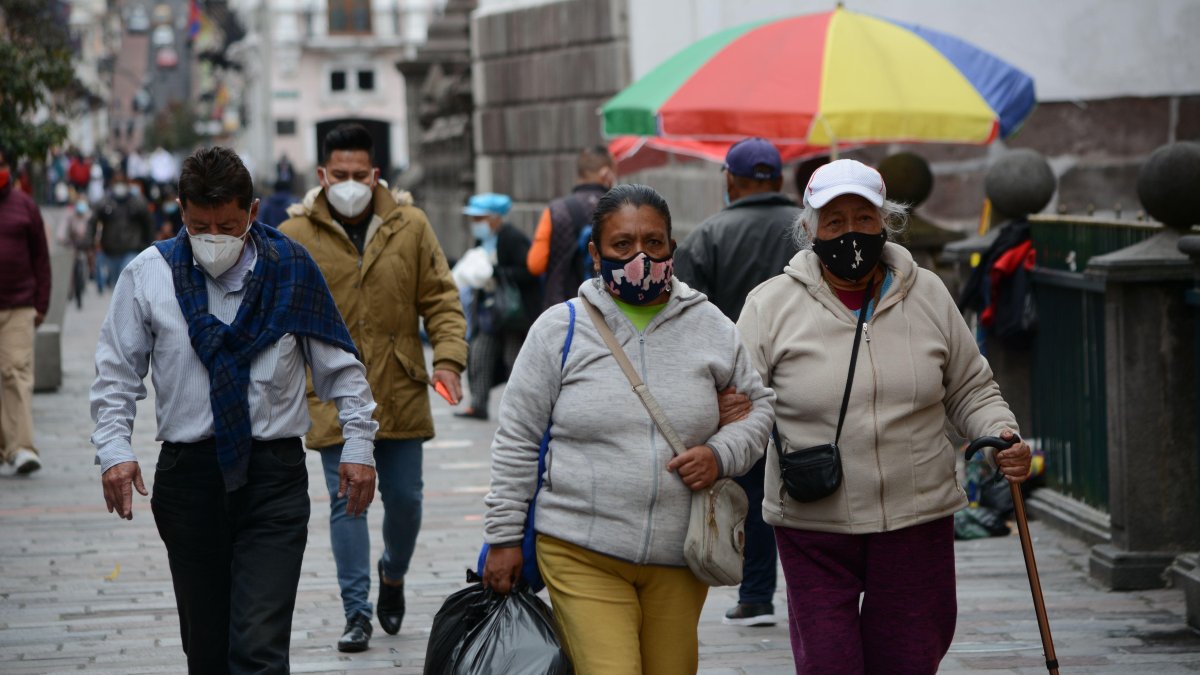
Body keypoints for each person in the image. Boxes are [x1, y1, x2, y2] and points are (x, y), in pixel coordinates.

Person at [737, 159, 1033, 674]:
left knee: (910, 658)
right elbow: (742, 404)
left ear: (886, 222)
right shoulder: (769, 306)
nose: (850, 232)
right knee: (830, 662)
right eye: (834, 221)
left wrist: (1000, 433)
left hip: (915, 514)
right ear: (809, 229)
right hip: (814, 519)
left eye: (863, 218)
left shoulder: (930, 294)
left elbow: (969, 386)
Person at [91, 146, 379, 674]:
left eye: (227, 224)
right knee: (207, 652)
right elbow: (116, 375)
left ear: (252, 212)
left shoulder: (291, 269)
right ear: (181, 211)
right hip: (189, 478)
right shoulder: (147, 275)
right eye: (200, 225)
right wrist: (114, 450)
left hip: (273, 479)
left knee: (258, 650)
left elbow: (340, 368)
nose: (214, 238)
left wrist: (359, 445)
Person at [482, 184, 775, 673]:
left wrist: (720, 454)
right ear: (596, 254)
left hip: (680, 554)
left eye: (653, 243)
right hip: (580, 547)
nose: (640, 255)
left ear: (671, 249)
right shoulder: (560, 329)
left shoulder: (711, 326)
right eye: (622, 245)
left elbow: (759, 408)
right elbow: (516, 438)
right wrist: (504, 537)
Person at [280, 123, 468, 652]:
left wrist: (449, 360)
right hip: (332, 396)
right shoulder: (295, 236)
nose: (349, 183)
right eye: (339, 174)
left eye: (359, 174)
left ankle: (393, 572)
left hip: (401, 388)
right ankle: (356, 611)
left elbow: (441, 299)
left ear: (376, 174)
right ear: (322, 175)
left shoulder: (410, 225)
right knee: (348, 503)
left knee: (405, 502)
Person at [672, 137, 801, 627]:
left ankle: (755, 594)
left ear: (730, 179)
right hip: (812, 376)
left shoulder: (708, 235)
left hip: (736, 389)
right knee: (819, 478)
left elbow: (683, 318)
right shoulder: (806, 230)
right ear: (780, 179)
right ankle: (824, 588)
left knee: (751, 485)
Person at [455, 192, 540, 421]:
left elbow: (529, 272)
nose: (476, 224)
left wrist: (496, 273)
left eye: (479, 218)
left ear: (494, 218)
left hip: (513, 314)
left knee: (515, 360)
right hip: (490, 312)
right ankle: (478, 405)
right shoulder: (483, 241)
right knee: (479, 353)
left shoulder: (512, 238)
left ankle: (522, 411)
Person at [0, 143, 50, 475]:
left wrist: (41, 304)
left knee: (15, 371)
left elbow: (41, 258)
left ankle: (21, 448)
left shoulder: (25, 207)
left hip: (18, 304)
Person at [526, 146, 616, 310]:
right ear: (606, 173)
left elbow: (535, 264)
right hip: (606, 308)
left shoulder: (555, 210)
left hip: (561, 307)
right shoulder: (620, 210)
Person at [90, 170, 154, 292]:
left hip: (132, 250)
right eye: (117, 182)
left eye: (122, 182)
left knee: (125, 282)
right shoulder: (104, 203)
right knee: (116, 287)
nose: (119, 185)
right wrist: (90, 242)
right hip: (111, 252)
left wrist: (148, 244)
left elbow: (148, 223)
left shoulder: (138, 202)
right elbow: (92, 221)